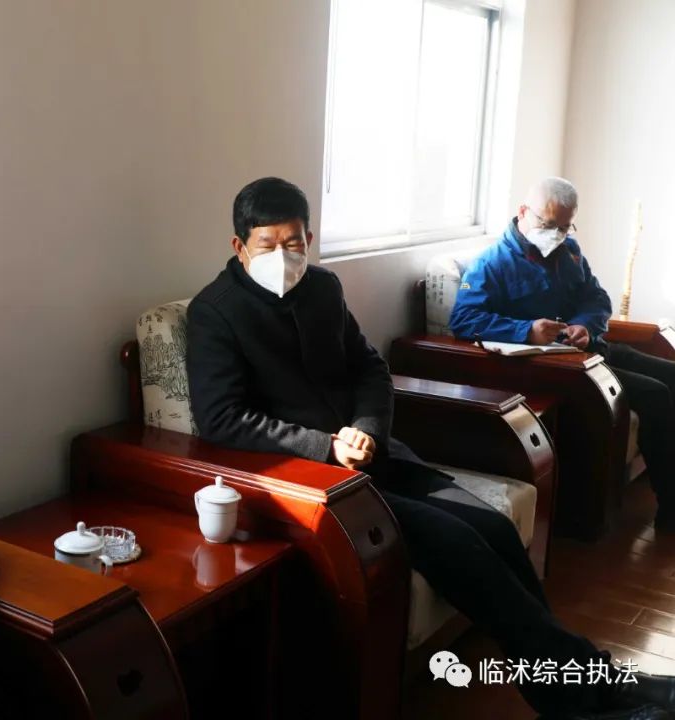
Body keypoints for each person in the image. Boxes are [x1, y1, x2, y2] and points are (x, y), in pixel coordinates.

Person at [186, 177, 675, 719]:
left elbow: (370, 368)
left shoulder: (322, 288)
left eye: (294, 243)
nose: (283, 256)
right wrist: (326, 446)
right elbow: (221, 419)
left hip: (378, 455)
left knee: (494, 528)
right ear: (240, 246)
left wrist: (368, 429)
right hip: (317, 485)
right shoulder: (215, 313)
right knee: (460, 544)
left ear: (309, 239)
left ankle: (576, 688)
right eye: (268, 245)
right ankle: (593, 689)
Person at [449, 177, 675, 530]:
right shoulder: (492, 264)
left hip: (591, 350)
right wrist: (526, 330)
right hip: (555, 367)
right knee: (655, 394)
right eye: (548, 224)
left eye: (564, 226)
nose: (556, 234)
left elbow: (596, 298)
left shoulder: (570, 252)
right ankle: (670, 510)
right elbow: (463, 319)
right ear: (523, 212)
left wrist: (585, 324)